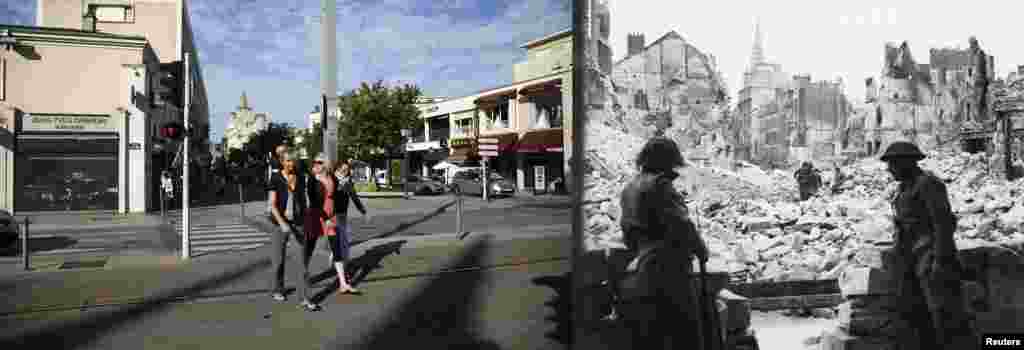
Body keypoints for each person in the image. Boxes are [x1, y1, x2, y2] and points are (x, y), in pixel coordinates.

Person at [882, 141, 977, 350]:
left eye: (893, 164)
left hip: (931, 256)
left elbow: (942, 224)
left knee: (944, 315)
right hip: (911, 257)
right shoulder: (903, 188)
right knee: (916, 315)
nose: (889, 169)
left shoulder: (929, 184)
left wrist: (940, 261)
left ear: (908, 163)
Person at [617, 136, 709, 349]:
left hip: (643, 271)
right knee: (684, 335)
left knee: (653, 336)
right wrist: (701, 250)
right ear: (666, 162)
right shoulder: (660, 185)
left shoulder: (630, 187)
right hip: (670, 271)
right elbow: (683, 226)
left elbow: (628, 234)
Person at [267, 152, 304, 303]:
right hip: (279, 223)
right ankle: (278, 289)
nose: (291, 164)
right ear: (282, 162)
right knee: (278, 260)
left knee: (301, 258)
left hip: (297, 222)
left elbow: (302, 200)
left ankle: (303, 291)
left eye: (293, 161)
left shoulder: (299, 177)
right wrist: (282, 223)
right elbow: (272, 204)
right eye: (288, 161)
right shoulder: (275, 178)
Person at [331, 160, 371, 290]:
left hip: (343, 216)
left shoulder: (347, 181)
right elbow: (327, 197)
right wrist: (338, 187)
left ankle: (343, 271)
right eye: (342, 170)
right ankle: (343, 276)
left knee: (346, 247)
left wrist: (363, 212)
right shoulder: (331, 180)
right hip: (332, 217)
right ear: (336, 170)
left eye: (346, 170)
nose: (345, 172)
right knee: (340, 247)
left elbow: (354, 197)